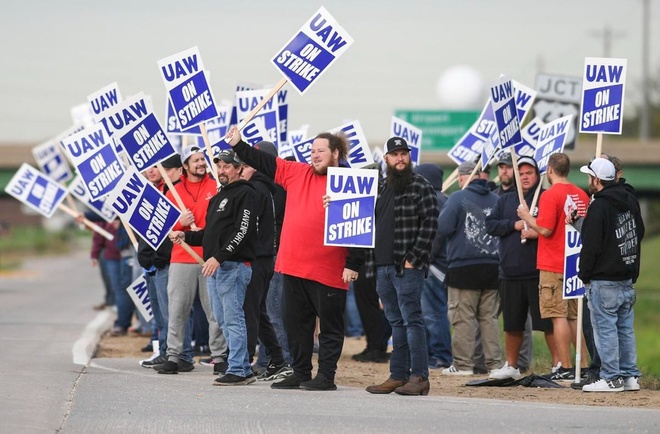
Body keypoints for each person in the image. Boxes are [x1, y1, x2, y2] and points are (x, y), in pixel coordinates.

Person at [226, 126, 362, 391]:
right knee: (295, 324)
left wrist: (353, 263)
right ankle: (300, 371)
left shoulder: (349, 181)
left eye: (320, 151)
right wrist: (239, 145)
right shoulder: (297, 172)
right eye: (312, 151)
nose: (314, 155)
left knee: (330, 327)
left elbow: (361, 223)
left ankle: (326, 376)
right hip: (294, 265)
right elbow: (263, 161)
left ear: (336, 153)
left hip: (330, 268)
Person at [172, 149, 259, 386]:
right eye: (219, 166)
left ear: (238, 168)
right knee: (222, 320)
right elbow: (209, 236)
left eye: (227, 166)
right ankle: (240, 367)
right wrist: (185, 236)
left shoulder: (245, 194)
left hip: (232, 266)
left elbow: (242, 232)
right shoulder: (219, 197)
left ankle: (239, 369)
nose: (221, 170)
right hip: (216, 268)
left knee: (233, 319)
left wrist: (218, 258)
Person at [363, 138, 439, 396]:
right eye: (394, 154)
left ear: (409, 157)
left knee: (412, 321)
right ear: (386, 159)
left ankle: (419, 376)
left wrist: (413, 258)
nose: (400, 158)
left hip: (406, 267)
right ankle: (398, 375)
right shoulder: (382, 187)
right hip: (382, 266)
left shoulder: (420, 185)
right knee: (396, 322)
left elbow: (430, 224)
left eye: (403, 154)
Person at [517, 152, 589, 380]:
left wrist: (527, 216)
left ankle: (566, 366)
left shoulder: (550, 195)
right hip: (575, 262)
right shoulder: (581, 195)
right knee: (575, 318)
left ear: (549, 170)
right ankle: (584, 365)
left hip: (553, 263)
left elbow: (546, 229)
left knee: (558, 316)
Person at [157, 145, 228, 375]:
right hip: (181, 258)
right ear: (184, 166)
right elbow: (166, 228)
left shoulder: (216, 186)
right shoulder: (172, 191)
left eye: (202, 159)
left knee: (214, 311)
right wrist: (180, 221)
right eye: (195, 160)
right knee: (177, 310)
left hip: (208, 258)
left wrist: (194, 216)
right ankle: (174, 356)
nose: (201, 163)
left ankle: (219, 356)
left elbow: (220, 220)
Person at [577, 158, 644, 392]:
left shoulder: (599, 206)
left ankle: (611, 378)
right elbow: (639, 233)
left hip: (603, 280)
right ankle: (629, 376)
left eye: (590, 177)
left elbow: (591, 246)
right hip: (626, 278)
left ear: (597, 180)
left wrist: (583, 274)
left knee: (605, 329)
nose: (589, 181)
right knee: (625, 329)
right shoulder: (630, 200)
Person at [486, 156, 555, 380]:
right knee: (512, 323)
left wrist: (535, 231)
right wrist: (513, 225)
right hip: (509, 272)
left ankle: (558, 366)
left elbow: (553, 228)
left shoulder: (545, 198)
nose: (525, 177)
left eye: (529, 173)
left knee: (547, 322)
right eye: (521, 173)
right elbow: (490, 225)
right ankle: (512, 366)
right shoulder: (505, 200)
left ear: (538, 175)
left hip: (539, 271)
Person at [437, 161, 502, 376]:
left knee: (462, 317)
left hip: (463, 268)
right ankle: (494, 365)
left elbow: (443, 227)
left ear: (463, 177)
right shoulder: (496, 199)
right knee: (489, 318)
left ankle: (463, 365)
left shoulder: (457, 197)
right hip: (493, 266)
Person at [239, 142, 292, 381]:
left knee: (255, 310)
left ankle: (244, 363)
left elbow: (249, 227)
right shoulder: (271, 187)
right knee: (261, 312)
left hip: (263, 257)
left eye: (250, 161)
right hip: (268, 256)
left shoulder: (260, 189)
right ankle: (278, 359)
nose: (243, 167)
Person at [137, 154, 188, 367]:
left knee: (172, 313)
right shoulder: (156, 192)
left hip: (167, 261)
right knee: (160, 314)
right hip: (152, 263)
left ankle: (177, 354)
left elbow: (172, 231)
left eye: (163, 169)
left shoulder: (176, 193)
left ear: (178, 170)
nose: (156, 172)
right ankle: (165, 351)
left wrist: (159, 257)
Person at [414, 163, 452, 370]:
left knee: (433, 313)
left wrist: (424, 258)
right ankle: (435, 354)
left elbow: (434, 234)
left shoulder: (432, 199)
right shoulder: (444, 199)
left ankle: (440, 355)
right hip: (441, 264)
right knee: (433, 311)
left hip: (433, 265)